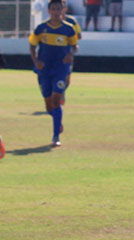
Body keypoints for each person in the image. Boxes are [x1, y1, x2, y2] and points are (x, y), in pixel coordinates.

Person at [29, 0, 78, 147]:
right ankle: (57, 120)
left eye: (58, 9)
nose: (56, 12)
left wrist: (71, 54)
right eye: (53, 9)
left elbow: (75, 46)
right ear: (49, 11)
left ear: (62, 10)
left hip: (60, 68)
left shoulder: (68, 29)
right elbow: (32, 46)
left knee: (57, 100)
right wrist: (36, 60)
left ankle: (55, 135)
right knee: (49, 106)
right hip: (44, 69)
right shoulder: (41, 28)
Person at [61, 0, 81, 105]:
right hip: (54, 54)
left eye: (62, 7)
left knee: (67, 80)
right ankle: (57, 93)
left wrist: (70, 38)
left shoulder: (71, 21)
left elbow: (79, 36)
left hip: (68, 53)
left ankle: (60, 91)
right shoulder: (49, 23)